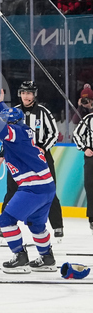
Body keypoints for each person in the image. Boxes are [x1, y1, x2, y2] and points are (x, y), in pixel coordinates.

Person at [0, 93, 57, 272]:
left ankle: (20, 257)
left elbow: (1, 128)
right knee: (36, 224)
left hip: (33, 187)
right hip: (46, 186)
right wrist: (0, 105)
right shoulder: (23, 129)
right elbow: (9, 116)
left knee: (7, 220)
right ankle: (47, 258)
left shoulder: (14, 132)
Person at [0, 81, 63, 237]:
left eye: (29, 93)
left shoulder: (43, 112)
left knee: (49, 188)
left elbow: (54, 133)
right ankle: (4, 224)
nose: (26, 96)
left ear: (34, 95)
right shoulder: (13, 112)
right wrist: (2, 155)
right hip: (17, 157)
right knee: (12, 190)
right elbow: (6, 137)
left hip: (40, 157)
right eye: (23, 93)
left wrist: (44, 147)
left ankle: (57, 225)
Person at [72, 85, 93, 233]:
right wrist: (85, 147)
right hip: (91, 156)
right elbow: (76, 134)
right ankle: (92, 218)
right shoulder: (87, 118)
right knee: (90, 187)